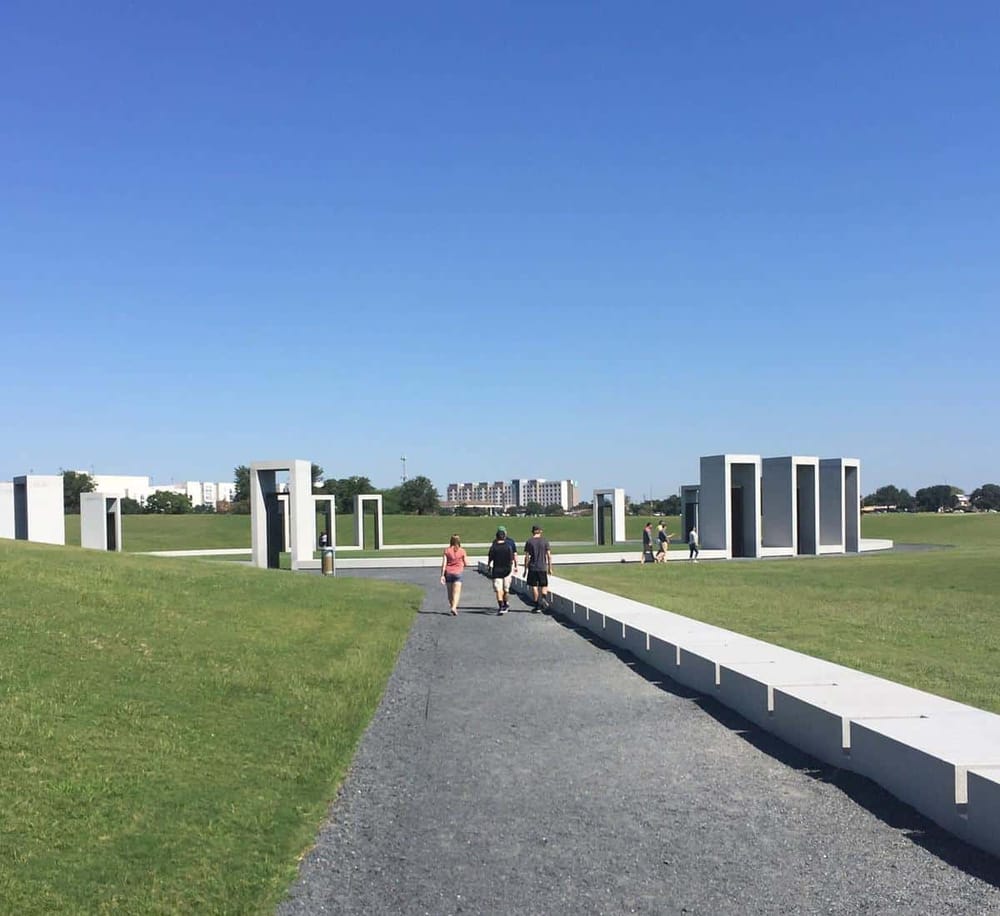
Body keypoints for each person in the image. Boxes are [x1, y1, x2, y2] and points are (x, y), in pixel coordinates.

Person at [523, 525, 552, 612]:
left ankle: (536, 606)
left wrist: (525, 569)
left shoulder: (529, 542)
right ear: (540, 531)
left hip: (533, 567)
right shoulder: (545, 541)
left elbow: (526, 557)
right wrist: (550, 567)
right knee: (544, 584)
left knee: (534, 586)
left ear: (532, 531)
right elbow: (549, 556)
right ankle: (543, 598)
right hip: (542, 566)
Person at [487, 528, 516, 615]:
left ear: (496, 537)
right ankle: (505, 603)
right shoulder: (508, 547)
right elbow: (511, 558)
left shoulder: (493, 547)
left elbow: (490, 558)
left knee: (499, 589)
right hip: (507, 570)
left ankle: (501, 606)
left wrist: (488, 566)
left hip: (497, 570)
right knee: (506, 589)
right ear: (504, 537)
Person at [440, 534, 468, 615]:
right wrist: (462, 564)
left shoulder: (447, 550)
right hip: (458, 573)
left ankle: (452, 606)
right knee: (456, 592)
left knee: (450, 593)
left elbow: (444, 563)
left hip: (448, 573)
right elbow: (466, 563)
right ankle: (454, 607)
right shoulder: (462, 551)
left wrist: (442, 575)